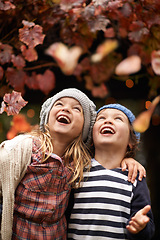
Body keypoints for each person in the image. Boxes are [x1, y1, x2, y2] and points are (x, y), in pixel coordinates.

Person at [0, 89, 145, 240]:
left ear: (85, 128)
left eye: (76, 108)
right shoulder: (25, 148)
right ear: (47, 116)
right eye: (59, 104)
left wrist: (127, 159)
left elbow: (109, 154)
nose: (66, 108)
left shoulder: (79, 163)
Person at [68, 104, 155, 240]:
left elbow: (148, 228)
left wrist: (140, 227)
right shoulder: (77, 169)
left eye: (118, 119)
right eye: (101, 118)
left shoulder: (134, 176)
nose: (108, 121)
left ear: (131, 141)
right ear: (91, 138)